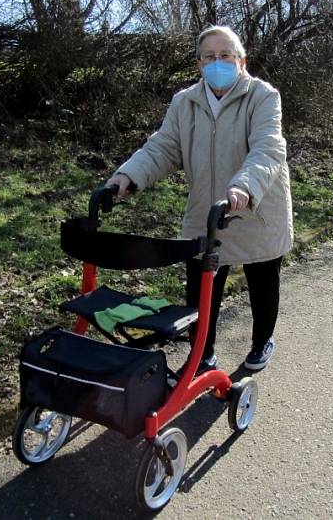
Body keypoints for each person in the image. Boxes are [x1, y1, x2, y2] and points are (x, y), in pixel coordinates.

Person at [105, 25, 293, 371]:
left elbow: (268, 149)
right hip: (207, 212)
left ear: (241, 60)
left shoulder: (263, 96)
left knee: (262, 281)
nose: (218, 62)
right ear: (199, 63)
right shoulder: (186, 101)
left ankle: (261, 339)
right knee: (201, 290)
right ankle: (203, 353)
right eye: (210, 56)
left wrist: (244, 188)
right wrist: (127, 175)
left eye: (226, 56)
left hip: (255, 206)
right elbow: (163, 147)